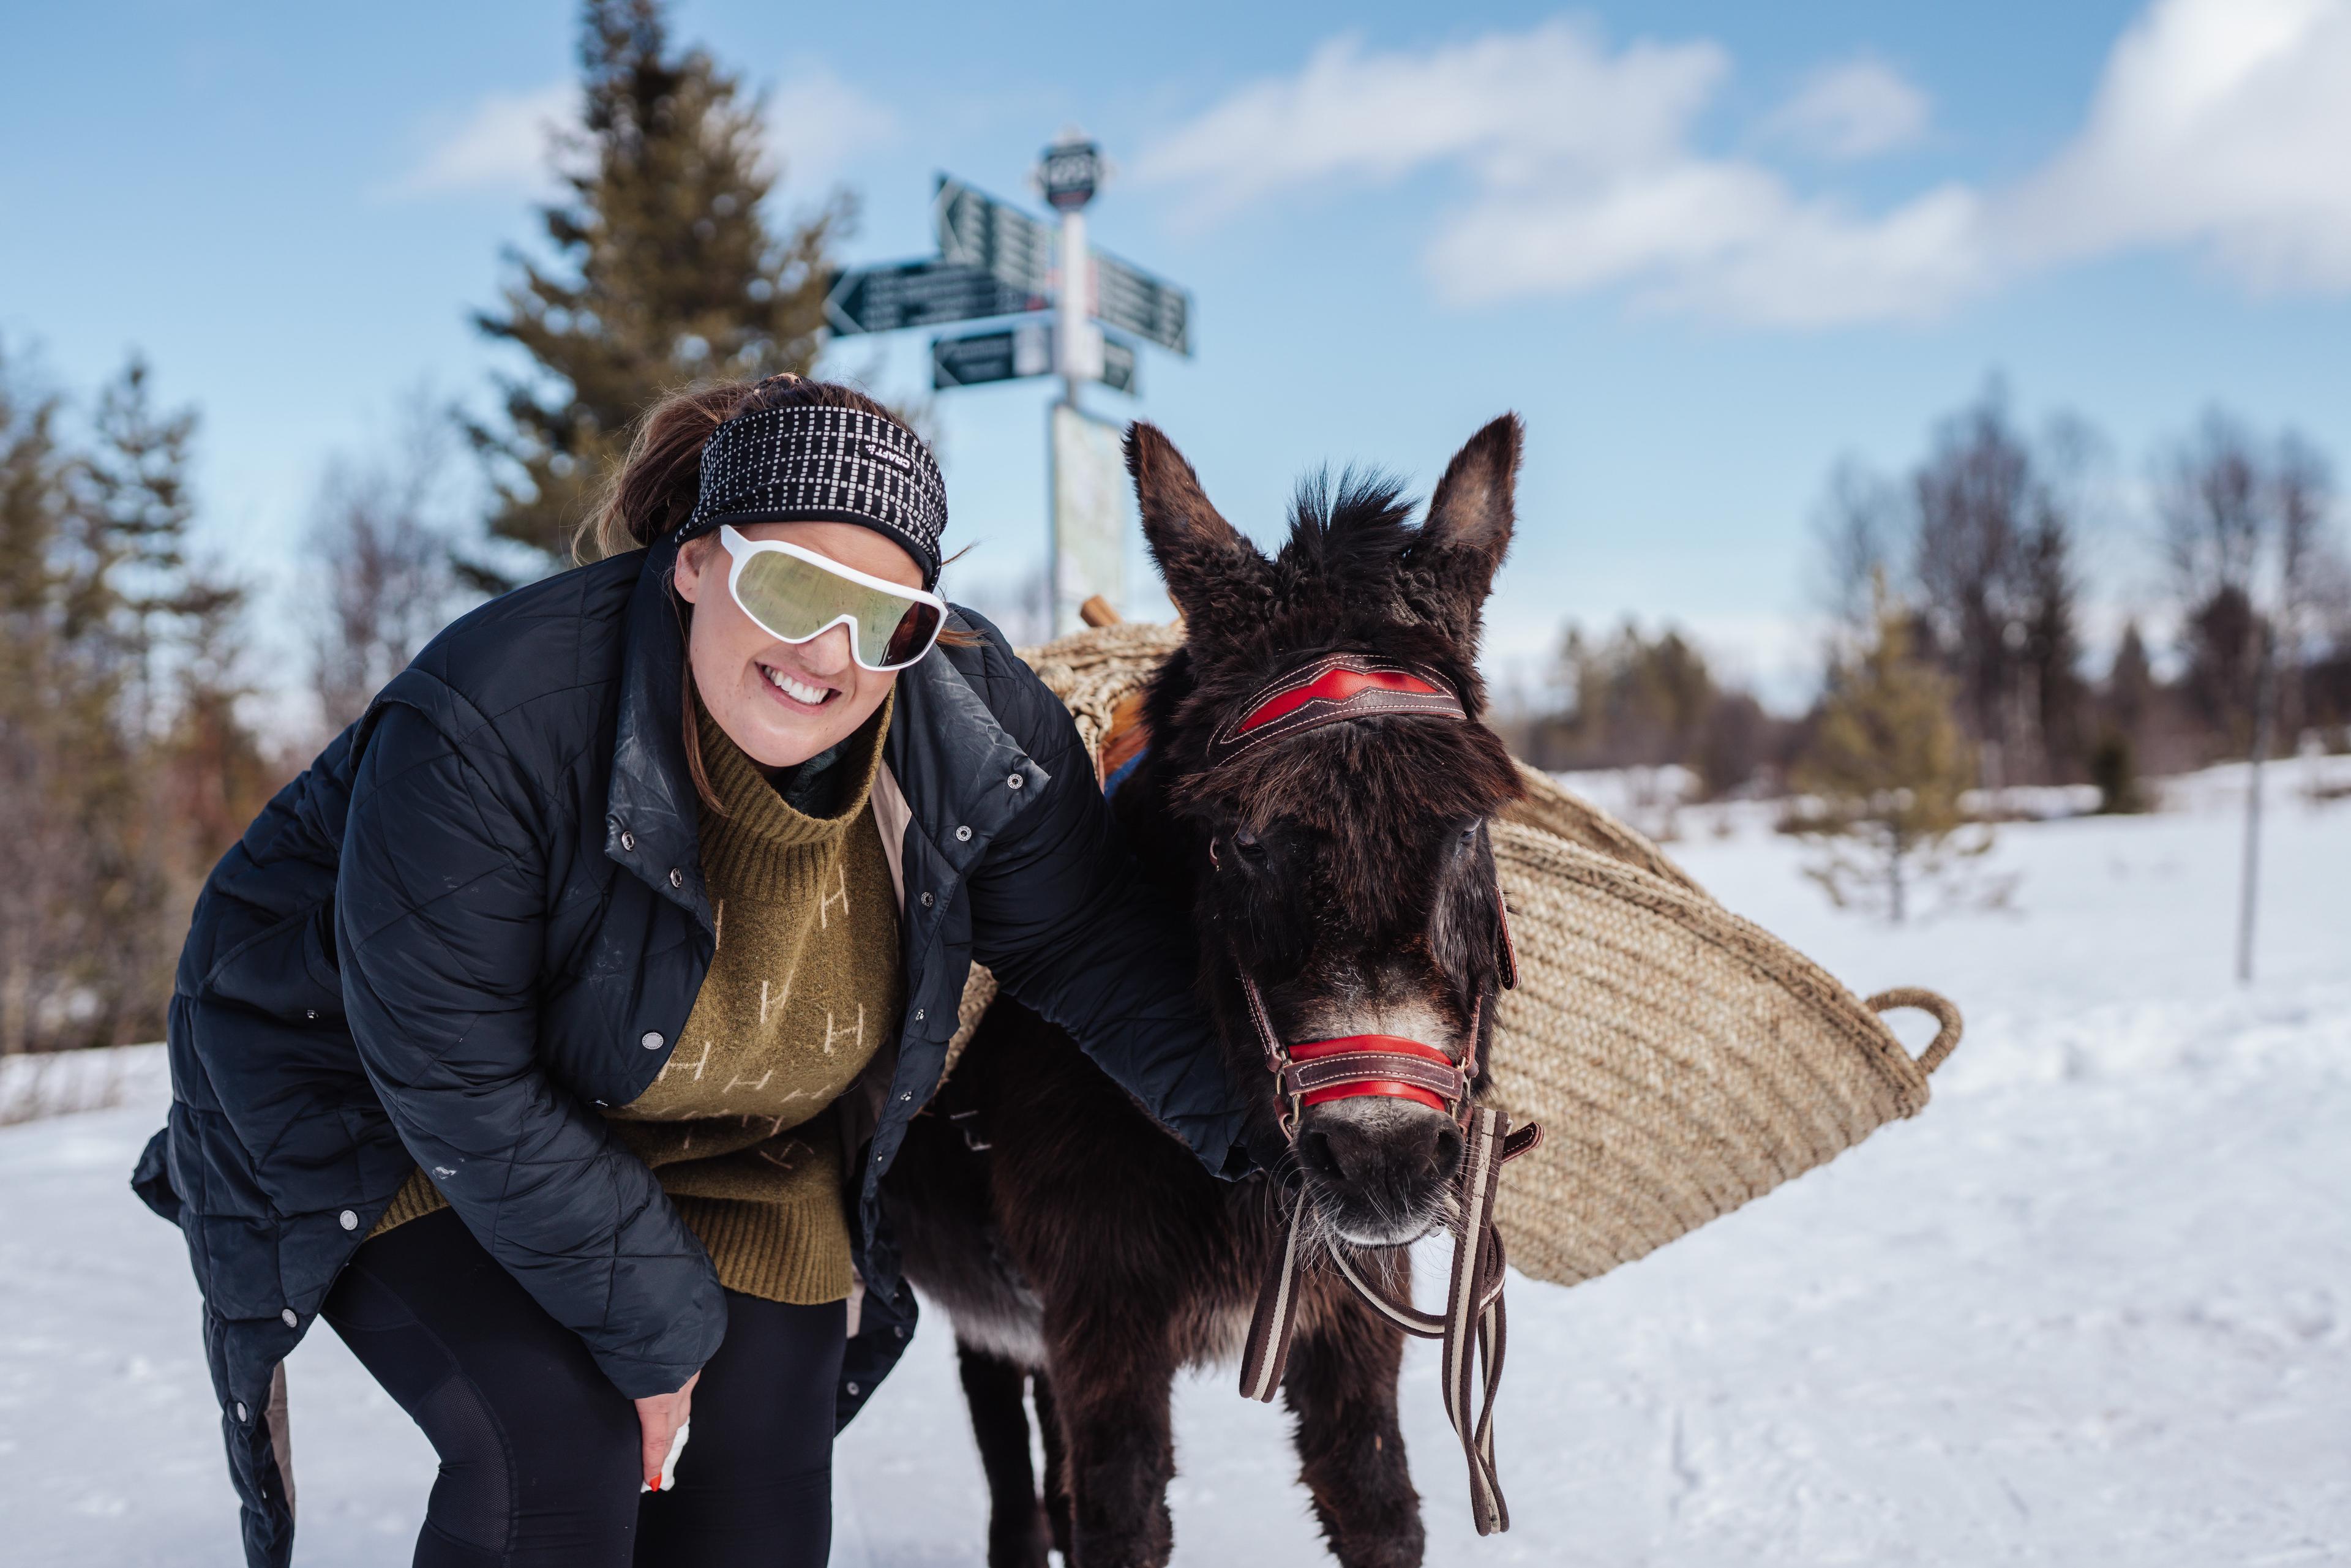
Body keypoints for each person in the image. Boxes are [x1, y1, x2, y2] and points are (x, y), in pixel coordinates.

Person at [131, 375, 1253, 1568]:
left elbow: (1091, 950)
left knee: (751, 1512)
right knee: (559, 1448)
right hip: (390, 1107)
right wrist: (655, 1330)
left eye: (888, 619)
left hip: (731, 1133)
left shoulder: (977, 735)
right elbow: (452, 1067)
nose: (830, 653)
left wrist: (1286, 1139)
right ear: (693, 563)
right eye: (792, 589)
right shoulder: (496, 716)